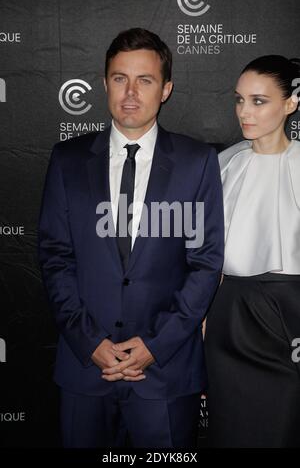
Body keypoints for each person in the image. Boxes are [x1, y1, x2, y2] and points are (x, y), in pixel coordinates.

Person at [38, 27, 224, 448]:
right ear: (104, 84)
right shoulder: (67, 161)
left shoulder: (197, 163)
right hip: (86, 370)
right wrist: (90, 343)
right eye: (120, 78)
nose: (131, 93)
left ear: (166, 89)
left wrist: (155, 345)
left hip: (166, 372)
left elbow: (205, 264)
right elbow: (55, 258)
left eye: (146, 80)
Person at [205, 55, 300, 448]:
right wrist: (204, 320)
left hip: (291, 317)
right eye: (239, 99)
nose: (244, 111)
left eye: (258, 101)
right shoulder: (224, 165)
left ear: (291, 103)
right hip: (230, 318)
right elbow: (210, 257)